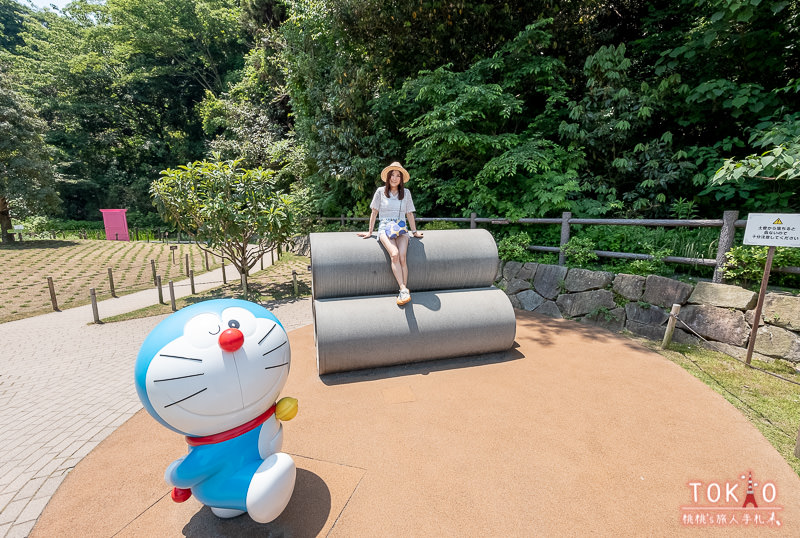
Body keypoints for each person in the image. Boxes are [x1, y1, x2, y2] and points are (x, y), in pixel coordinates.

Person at [357, 162, 423, 306]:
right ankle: (403, 288)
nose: (394, 178)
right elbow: (374, 212)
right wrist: (370, 232)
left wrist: (415, 232)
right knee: (394, 254)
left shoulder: (406, 193)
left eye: (398, 175)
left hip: (401, 228)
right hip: (385, 227)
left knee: (403, 256)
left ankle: (403, 292)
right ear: (387, 177)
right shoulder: (380, 191)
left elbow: (409, 213)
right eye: (392, 175)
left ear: (401, 178)